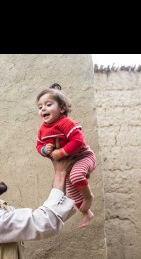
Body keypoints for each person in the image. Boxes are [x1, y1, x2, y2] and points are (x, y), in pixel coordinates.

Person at [36, 83, 97, 228]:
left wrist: (60, 152)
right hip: (70, 164)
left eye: (48, 104)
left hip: (84, 157)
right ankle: (86, 212)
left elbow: (78, 140)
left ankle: (88, 197)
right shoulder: (43, 130)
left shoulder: (66, 123)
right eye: (40, 107)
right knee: (70, 189)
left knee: (76, 176)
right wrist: (45, 150)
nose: (43, 108)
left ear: (62, 108)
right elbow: (38, 146)